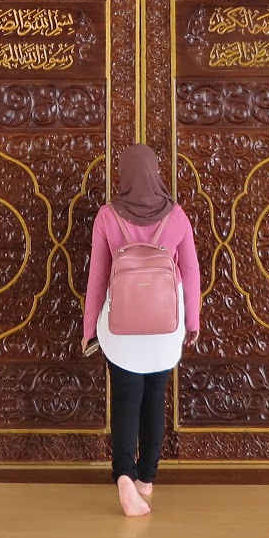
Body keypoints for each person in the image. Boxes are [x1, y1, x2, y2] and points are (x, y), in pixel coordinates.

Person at [82, 143, 201, 517]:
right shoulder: (177, 217)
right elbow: (193, 274)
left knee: (125, 400)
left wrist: (89, 329)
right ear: (156, 173)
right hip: (166, 329)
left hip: (121, 330)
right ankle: (147, 479)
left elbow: (98, 278)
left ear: (123, 174)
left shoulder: (107, 216)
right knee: (154, 401)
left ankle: (124, 477)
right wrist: (193, 322)